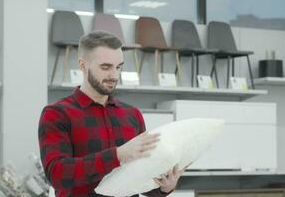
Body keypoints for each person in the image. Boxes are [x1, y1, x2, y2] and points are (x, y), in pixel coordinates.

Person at [38, 31, 183, 197]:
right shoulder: (57, 114)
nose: (114, 75)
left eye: (118, 67)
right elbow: (57, 174)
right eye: (105, 67)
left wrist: (164, 187)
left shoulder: (132, 115)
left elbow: (141, 178)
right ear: (83, 65)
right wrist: (118, 155)